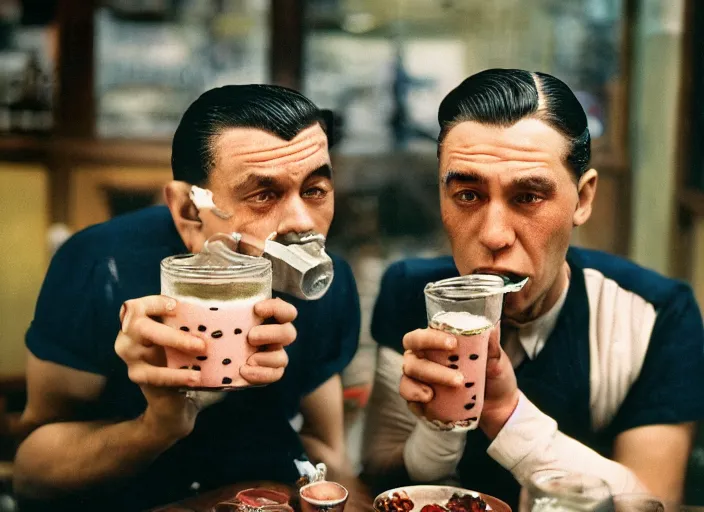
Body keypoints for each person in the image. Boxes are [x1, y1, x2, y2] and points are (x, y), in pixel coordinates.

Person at [362, 68, 704, 509]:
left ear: (582, 199)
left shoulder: (655, 315)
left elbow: (653, 503)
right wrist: (438, 427)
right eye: (468, 195)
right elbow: (381, 476)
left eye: (528, 197)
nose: (495, 235)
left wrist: (505, 415)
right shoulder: (410, 292)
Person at [13, 85, 361, 510]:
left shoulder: (331, 281)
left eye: (315, 190)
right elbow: (31, 474)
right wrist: (155, 426)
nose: (302, 223)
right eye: (264, 195)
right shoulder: (101, 267)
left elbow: (326, 451)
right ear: (188, 211)